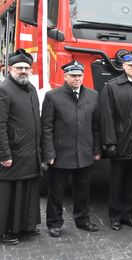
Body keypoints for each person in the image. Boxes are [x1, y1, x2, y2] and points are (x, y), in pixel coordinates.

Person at [41, 61, 101, 237]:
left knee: (83, 190)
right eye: (73, 75)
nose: (77, 79)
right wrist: (49, 153)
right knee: (56, 192)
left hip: (84, 152)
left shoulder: (93, 95)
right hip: (60, 154)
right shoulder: (53, 96)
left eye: (79, 76)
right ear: (65, 76)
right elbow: (47, 127)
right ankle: (54, 223)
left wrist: (97, 148)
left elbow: (96, 126)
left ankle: (82, 220)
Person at [99, 51, 132, 231]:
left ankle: (128, 214)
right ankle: (115, 217)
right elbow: (107, 117)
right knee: (116, 183)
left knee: (131, 182)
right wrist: (109, 142)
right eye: (131, 66)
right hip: (120, 143)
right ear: (123, 66)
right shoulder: (111, 87)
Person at [0, 49, 41, 245]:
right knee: (9, 194)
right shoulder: (4, 89)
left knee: (27, 190)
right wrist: (4, 154)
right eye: (20, 68)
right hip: (13, 153)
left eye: (27, 68)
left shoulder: (31, 88)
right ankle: (6, 231)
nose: (24, 71)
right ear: (10, 69)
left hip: (30, 152)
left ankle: (25, 225)